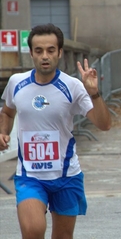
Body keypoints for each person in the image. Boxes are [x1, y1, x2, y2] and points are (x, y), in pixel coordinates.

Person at [0, 23, 112, 239]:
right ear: (31, 52)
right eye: (39, 50)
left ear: (59, 52)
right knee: (33, 230)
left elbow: (104, 124)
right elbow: (7, 112)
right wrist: (3, 132)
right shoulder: (17, 83)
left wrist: (94, 94)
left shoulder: (73, 86)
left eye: (51, 50)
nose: (45, 56)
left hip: (66, 175)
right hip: (30, 176)